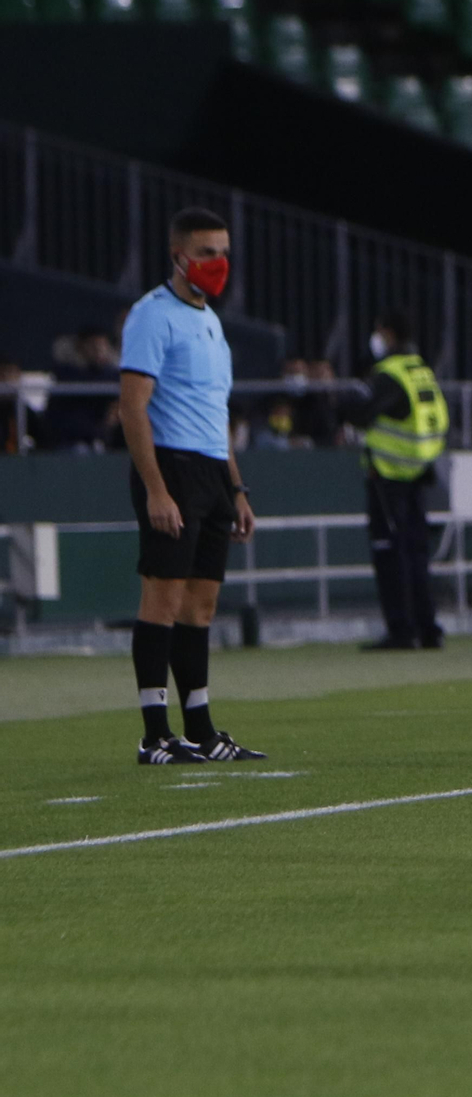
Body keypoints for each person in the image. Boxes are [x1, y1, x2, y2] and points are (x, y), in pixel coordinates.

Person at [120, 206, 265, 764]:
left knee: (201, 606)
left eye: (223, 252)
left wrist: (237, 489)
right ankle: (155, 733)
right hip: (172, 467)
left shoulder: (211, 320)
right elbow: (133, 407)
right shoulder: (153, 315)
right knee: (163, 597)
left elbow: (215, 414)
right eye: (207, 253)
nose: (218, 263)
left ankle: (201, 729)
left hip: (210, 472)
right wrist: (156, 489)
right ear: (179, 256)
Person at [350, 311, 449, 651]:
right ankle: (429, 628)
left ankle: (402, 630)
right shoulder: (421, 370)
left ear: (387, 333)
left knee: (391, 554)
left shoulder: (389, 374)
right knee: (418, 553)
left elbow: (359, 412)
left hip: (388, 477)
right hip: (419, 472)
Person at [50, 327, 122, 451]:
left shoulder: (114, 376)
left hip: (105, 441)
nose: (99, 350)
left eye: (103, 345)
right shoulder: (67, 374)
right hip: (72, 441)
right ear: (80, 347)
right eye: (93, 345)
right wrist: (100, 428)